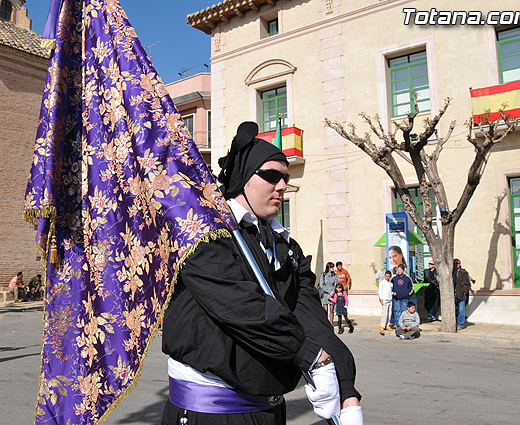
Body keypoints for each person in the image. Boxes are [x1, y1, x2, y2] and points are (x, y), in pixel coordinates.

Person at [161, 122, 363, 425]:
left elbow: (310, 317)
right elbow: (242, 307)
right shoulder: (204, 236)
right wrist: (309, 356)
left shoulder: (287, 247)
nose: (282, 185)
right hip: (211, 414)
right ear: (243, 178)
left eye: (286, 177)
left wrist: (347, 392)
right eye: (271, 175)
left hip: (270, 411)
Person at [453, 258, 473, 330]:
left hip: (461, 293)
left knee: (461, 310)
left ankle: (460, 324)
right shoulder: (451, 272)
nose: (455, 265)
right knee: (454, 310)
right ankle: (454, 323)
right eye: (454, 263)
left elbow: (468, 284)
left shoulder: (463, 272)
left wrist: (464, 291)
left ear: (460, 264)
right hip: (452, 294)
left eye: (457, 263)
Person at [377, 270, 393, 335]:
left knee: (389, 313)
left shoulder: (391, 283)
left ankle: (387, 325)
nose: (387, 277)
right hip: (384, 299)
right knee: (384, 314)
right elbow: (380, 291)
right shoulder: (382, 283)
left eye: (388, 276)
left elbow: (390, 291)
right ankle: (382, 326)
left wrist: (392, 293)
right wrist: (381, 299)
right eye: (386, 276)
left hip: (390, 299)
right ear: (385, 276)